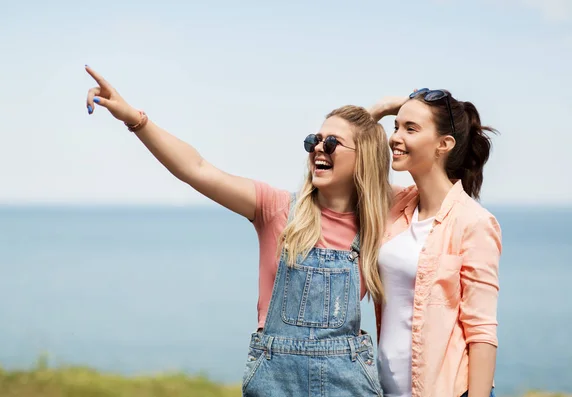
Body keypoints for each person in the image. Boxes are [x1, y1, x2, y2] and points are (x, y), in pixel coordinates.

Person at [84, 65, 391, 396]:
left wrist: (390, 109)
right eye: (313, 140)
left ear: (364, 157)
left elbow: (447, 179)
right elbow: (196, 169)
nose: (318, 147)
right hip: (277, 384)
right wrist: (135, 118)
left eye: (331, 143)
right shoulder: (277, 209)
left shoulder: (383, 218)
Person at [369, 89, 502, 397]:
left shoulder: (474, 222)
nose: (395, 137)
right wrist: (377, 112)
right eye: (396, 127)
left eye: (410, 129)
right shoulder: (396, 205)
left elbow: (481, 331)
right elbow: (348, 168)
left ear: (444, 144)